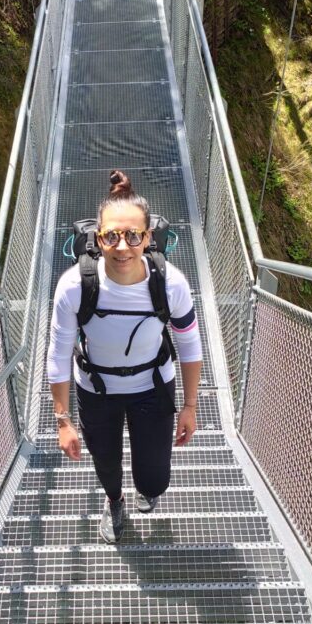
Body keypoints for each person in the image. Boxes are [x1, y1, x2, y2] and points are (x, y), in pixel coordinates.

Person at [46, 170, 203, 542]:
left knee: (155, 479)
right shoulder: (74, 286)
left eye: (134, 236)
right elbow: (58, 351)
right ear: (98, 239)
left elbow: (190, 345)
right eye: (112, 236)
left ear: (148, 238)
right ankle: (114, 502)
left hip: (152, 385)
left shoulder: (170, 284)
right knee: (107, 463)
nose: (122, 247)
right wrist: (62, 419)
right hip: (97, 390)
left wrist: (191, 405)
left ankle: (146, 489)